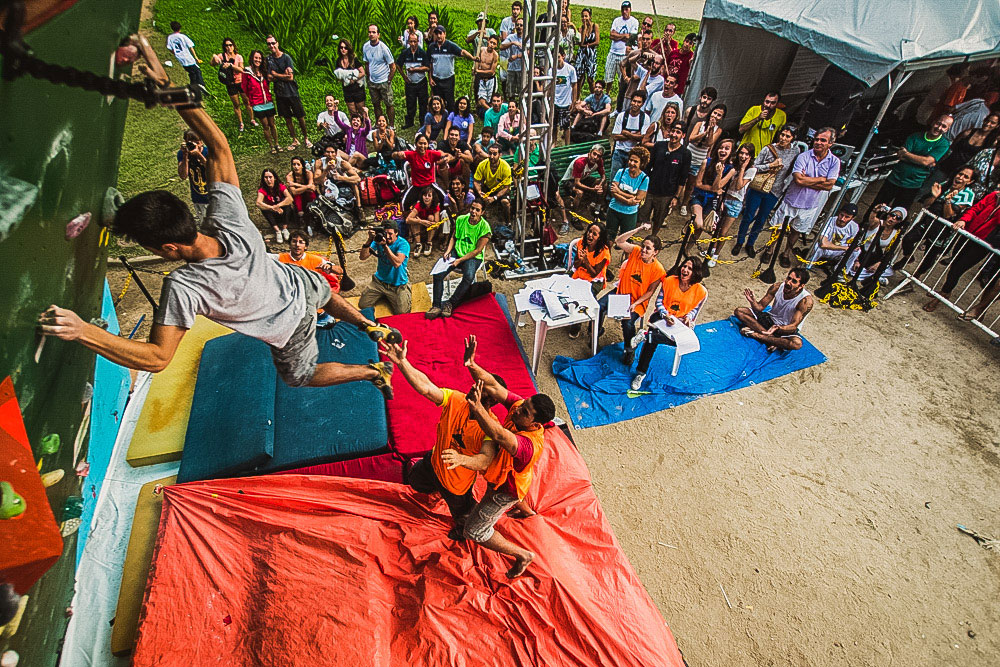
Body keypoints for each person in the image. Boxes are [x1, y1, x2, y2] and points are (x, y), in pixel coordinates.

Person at [39, 34, 395, 398]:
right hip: (296, 282)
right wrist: (167, 86)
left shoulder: (185, 287)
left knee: (299, 377)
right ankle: (370, 327)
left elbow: (158, 358)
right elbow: (219, 143)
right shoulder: (228, 218)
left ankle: (371, 371)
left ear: (168, 247)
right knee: (318, 287)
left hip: (289, 327)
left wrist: (83, 330)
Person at [448, 337, 557, 578]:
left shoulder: (527, 446)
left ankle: (523, 556)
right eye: (522, 404)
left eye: (524, 411)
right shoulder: (521, 409)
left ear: (535, 424)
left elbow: (497, 433)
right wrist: (471, 364)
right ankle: (526, 511)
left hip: (504, 489)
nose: (517, 409)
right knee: (511, 483)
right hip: (512, 477)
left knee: (474, 531)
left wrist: (478, 409)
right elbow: (494, 386)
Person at [377, 339, 504, 540]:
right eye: (475, 384)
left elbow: (485, 459)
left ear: (493, 400)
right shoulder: (457, 399)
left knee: (462, 515)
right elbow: (426, 387)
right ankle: (434, 489)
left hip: (456, 486)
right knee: (415, 480)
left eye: (480, 390)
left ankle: (463, 529)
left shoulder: (490, 428)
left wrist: (461, 459)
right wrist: (403, 363)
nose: (472, 389)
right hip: (434, 462)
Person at [629, 256, 707, 390]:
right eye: (684, 266)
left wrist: (688, 317)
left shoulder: (701, 291)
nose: (685, 270)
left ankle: (645, 335)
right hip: (660, 317)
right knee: (651, 343)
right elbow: (659, 302)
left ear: (696, 273)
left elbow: (695, 310)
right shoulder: (669, 281)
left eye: (690, 268)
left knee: (679, 341)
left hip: (680, 323)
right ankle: (640, 373)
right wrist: (665, 315)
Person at [922, 189, 1000, 315]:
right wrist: (964, 219)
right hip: (967, 234)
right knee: (954, 263)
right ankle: (946, 291)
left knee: (958, 269)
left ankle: (942, 294)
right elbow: (975, 209)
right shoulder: (994, 195)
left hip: (983, 244)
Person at [896, 166, 977, 278]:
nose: (960, 177)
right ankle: (908, 257)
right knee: (908, 238)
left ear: (970, 181)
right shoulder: (945, 185)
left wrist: (947, 201)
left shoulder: (968, 195)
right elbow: (927, 205)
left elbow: (948, 215)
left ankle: (915, 277)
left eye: (965, 177)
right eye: (960, 173)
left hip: (942, 230)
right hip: (928, 221)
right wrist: (934, 196)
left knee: (929, 258)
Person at [776, 127, 841, 268]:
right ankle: (770, 250)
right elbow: (798, 180)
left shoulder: (834, 162)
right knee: (778, 227)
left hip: (810, 204)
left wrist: (808, 179)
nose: (818, 142)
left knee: (796, 231)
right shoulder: (803, 156)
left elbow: (829, 185)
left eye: (823, 140)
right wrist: (821, 179)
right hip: (791, 199)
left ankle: (786, 253)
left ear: (830, 143)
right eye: (816, 139)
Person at [733, 125, 799, 257]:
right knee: (748, 215)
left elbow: (791, 170)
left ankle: (750, 243)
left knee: (761, 219)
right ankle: (739, 241)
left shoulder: (795, 151)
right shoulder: (768, 149)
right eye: (782, 134)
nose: (783, 138)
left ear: (793, 138)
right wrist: (770, 165)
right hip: (758, 187)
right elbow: (755, 165)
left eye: (787, 136)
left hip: (775, 190)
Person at [604, 225, 665, 362]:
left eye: (648, 248)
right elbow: (619, 241)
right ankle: (596, 332)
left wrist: (635, 303)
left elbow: (650, 292)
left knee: (628, 323)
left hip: (637, 301)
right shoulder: (636, 251)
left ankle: (629, 349)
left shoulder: (658, 270)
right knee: (599, 306)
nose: (643, 250)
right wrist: (638, 229)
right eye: (643, 246)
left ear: (656, 252)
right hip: (620, 293)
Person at [428, 199, 492, 319]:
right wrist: (448, 251)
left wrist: (460, 260)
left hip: (472, 256)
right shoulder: (461, 219)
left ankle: (451, 303)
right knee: (438, 274)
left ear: (482, 212)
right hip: (457, 251)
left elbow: (477, 250)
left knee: (468, 276)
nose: (473, 212)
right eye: (472, 208)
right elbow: (454, 237)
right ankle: (436, 305)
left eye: (477, 210)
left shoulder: (485, 227)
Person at [874, 115, 954, 209]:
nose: (939, 128)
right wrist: (922, 160)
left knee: (898, 213)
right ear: (933, 122)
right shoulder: (915, 136)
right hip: (894, 179)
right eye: (938, 123)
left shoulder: (943, 144)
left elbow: (926, 161)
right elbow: (900, 155)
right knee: (876, 208)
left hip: (913, 184)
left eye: (944, 126)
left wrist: (907, 154)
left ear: (947, 129)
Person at [735, 268, 813, 352]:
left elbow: (793, 326)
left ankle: (757, 335)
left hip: (785, 329)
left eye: (794, 281)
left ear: (801, 286)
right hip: (770, 319)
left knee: (797, 344)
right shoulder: (777, 287)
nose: (788, 282)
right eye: (788, 278)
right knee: (739, 311)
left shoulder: (805, 301)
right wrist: (753, 302)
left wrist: (778, 328)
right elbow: (760, 307)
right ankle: (773, 340)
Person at [707, 143, 757, 264]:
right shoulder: (732, 164)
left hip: (736, 202)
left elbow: (740, 186)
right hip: (725, 197)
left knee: (724, 231)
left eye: (746, 154)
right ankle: (712, 249)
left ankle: (716, 255)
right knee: (716, 229)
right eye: (742, 153)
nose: (743, 156)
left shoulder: (752, 169)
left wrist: (743, 169)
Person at [638, 121, 690, 235]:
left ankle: (653, 239)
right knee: (640, 215)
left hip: (667, 194)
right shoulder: (659, 146)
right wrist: (641, 186)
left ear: (683, 135)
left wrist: (676, 196)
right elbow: (648, 167)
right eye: (673, 131)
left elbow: (683, 177)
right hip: (650, 189)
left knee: (659, 219)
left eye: (678, 132)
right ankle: (630, 238)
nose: (674, 134)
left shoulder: (685, 153)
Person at [678, 102, 726, 216]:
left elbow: (709, 143)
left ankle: (684, 204)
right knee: (679, 179)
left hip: (700, 159)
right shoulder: (700, 124)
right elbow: (691, 138)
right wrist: (705, 131)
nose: (715, 116)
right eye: (715, 113)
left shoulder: (718, 130)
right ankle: (674, 199)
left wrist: (710, 131)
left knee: (691, 184)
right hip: (689, 155)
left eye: (719, 115)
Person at [688, 138, 735, 252]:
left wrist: (719, 174)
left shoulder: (731, 170)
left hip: (712, 200)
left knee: (702, 228)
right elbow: (698, 183)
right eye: (721, 148)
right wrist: (714, 189)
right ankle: (689, 225)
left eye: (726, 148)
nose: (723, 150)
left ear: (731, 152)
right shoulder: (707, 162)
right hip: (699, 196)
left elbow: (717, 187)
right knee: (698, 224)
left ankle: (687, 248)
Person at [266, 36, 311, 150]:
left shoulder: (286, 58)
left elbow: (290, 77)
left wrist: (276, 74)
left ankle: (306, 138)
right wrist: (281, 76)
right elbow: (269, 77)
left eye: (273, 43)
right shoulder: (269, 59)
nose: (271, 46)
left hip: (292, 92)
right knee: (287, 118)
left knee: (300, 116)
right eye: (269, 44)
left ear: (277, 43)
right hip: (280, 93)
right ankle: (294, 139)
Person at [932, 113, 999, 187]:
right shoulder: (968, 132)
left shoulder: (991, 143)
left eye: (992, 123)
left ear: (997, 126)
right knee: (929, 188)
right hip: (946, 167)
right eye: (987, 121)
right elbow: (951, 148)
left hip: (962, 175)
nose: (988, 124)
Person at [358, 225, 412, 315]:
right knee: (363, 305)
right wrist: (369, 240)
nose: (387, 237)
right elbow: (363, 257)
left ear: (396, 233)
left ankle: (405, 291)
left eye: (390, 234)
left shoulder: (403, 244)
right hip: (380, 282)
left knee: (402, 312)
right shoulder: (378, 241)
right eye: (385, 233)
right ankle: (386, 295)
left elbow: (397, 263)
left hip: (397, 284)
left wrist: (385, 246)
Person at [392, 133, 451, 211]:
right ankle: (406, 221)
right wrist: (398, 154)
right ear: (416, 144)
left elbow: (447, 155)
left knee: (445, 199)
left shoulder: (431, 153)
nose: (422, 146)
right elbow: (393, 155)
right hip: (416, 186)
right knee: (404, 203)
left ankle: (443, 217)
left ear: (427, 144)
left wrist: (448, 158)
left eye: (424, 144)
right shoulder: (412, 155)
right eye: (420, 143)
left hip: (430, 184)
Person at [428, 26, 475, 113]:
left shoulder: (450, 46)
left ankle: (451, 121)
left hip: (448, 79)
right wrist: (430, 78)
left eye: (440, 33)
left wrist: (473, 58)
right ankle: (439, 120)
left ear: (444, 34)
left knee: (450, 102)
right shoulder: (431, 47)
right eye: (437, 33)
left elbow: (462, 52)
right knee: (438, 102)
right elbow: (430, 64)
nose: (438, 36)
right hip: (436, 79)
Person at [607, 146, 650, 239]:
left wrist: (619, 192)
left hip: (630, 214)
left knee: (626, 241)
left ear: (642, 163)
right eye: (630, 160)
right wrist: (628, 201)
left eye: (635, 161)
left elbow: (638, 198)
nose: (631, 163)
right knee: (608, 238)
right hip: (614, 209)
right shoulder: (621, 172)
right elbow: (613, 192)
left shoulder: (644, 179)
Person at [241, 50, 280, 153]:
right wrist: (250, 99)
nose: (257, 60)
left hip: (268, 101)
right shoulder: (247, 72)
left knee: (272, 124)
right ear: (252, 58)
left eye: (259, 58)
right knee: (265, 125)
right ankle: (271, 146)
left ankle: (277, 144)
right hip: (257, 103)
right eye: (256, 58)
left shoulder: (264, 71)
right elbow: (244, 88)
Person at [610, 91, 651, 186]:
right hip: (619, 151)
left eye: (639, 102)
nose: (635, 104)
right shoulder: (622, 116)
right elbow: (616, 136)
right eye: (634, 101)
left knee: (628, 179)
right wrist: (635, 135)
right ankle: (610, 198)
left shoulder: (645, 118)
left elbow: (643, 138)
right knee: (614, 178)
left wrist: (626, 133)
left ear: (642, 104)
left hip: (634, 153)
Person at [210, 38, 250, 132]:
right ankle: (241, 122)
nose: (229, 47)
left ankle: (251, 118)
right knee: (236, 104)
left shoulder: (238, 57)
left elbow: (242, 70)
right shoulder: (222, 56)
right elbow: (212, 64)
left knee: (247, 101)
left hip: (240, 82)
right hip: (230, 83)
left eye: (230, 45)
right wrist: (214, 57)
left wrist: (231, 66)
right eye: (226, 45)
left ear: (233, 46)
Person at [361, 25, 396, 128]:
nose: (371, 34)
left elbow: (392, 66)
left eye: (373, 32)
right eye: (369, 32)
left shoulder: (383, 48)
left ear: (378, 34)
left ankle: (391, 125)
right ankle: (379, 123)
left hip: (384, 80)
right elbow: (366, 63)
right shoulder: (366, 46)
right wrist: (368, 77)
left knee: (389, 104)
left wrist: (389, 79)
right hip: (372, 81)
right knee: (376, 104)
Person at [560, 144, 607, 216]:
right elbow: (577, 183)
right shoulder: (580, 162)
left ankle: (597, 208)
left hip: (583, 178)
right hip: (569, 181)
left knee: (604, 183)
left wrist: (599, 186)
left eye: (598, 156)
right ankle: (574, 215)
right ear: (590, 152)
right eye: (594, 154)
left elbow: (603, 177)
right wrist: (592, 189)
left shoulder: (599, 161)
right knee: (579, 193)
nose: (595, 157)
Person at [806, 203, 859, 267]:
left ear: (853, 218)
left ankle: (840, 271)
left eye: (847, 217)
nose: (842, 219)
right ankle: (808, 265)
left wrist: (856, 261)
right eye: (841, 215)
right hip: (826, 249)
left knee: (856, 251)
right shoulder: (830, 221)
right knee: (818, 246)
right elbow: (823, 244)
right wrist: (844, 248)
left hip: (839, 252)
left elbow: (853, 245)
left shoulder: (854, 227)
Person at [473, 144, 513, 223]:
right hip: (488, 187)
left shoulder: (505, 167)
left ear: (500, 155)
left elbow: (506, 187)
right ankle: (479, 221)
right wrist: (480, 192)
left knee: (505, 202)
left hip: (501, 189)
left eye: (494, 154)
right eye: (490, 153)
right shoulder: (482, 164)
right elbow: (476, 181)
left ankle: (508, 222)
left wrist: (494, 197)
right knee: (477, 202)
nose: (491, 156)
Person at [605, 1, 638, 97]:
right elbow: (611, 35)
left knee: (622, 78)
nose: (624, 12)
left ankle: (621, 95)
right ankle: (607, 93)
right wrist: (623, 36)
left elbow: (630, 37)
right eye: (623, 9)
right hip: (613, 52)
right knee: (608, 76)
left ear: (630, 10)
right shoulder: (617, 20)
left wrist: (617, 36)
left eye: (626, 9)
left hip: (623, 54)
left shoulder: (634, 22)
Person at [738, 91, 787, 155]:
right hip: (747, 152)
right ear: (763, 101)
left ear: (777, 103)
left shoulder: (781, 115)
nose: (769, 105)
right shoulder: (754, 110)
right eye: (767, 102)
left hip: (763, 153)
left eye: (773, 103)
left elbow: (779, 135)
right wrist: (758, 119)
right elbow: (741, 130)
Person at [177, 129, 210, 221]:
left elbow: (213, 171)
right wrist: (185, 156)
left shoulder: (208, 152)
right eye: (190, 142)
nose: (194, 145)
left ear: (201, 142)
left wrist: (199, 155)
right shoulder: (182, 154)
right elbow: (183, 175)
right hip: (198, 198)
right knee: (206, 226)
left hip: (213, 196)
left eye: (197, 142)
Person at [256, 168, 294, 241]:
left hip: (282, 211)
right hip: (273, 213)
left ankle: (285, 229)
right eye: (266, 177)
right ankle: (277, 231)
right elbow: (258, 203)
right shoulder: (262, 189)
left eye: (270, 177)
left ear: (275, 178)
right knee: (264, 209)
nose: (268, 180)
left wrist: (278, 205)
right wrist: (271, 208)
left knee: (287, 205)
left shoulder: (280, 186)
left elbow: (290, 199)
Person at [166, 21, 204, 92]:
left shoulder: (170, 37)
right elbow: (191, 47)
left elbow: (169, 48)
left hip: (180, 57)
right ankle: (200, 85)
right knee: (197, 70)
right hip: (187, 56)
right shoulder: (183, 36)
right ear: (180, 28)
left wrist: (175, 53)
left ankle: (193, 86)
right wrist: (196, 57)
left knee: (191, 72)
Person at [552, 48, 579, 145]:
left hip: (565, 102)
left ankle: (567, 145)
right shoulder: (551, 70)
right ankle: (553, 144)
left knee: (566, 126)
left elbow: (574, 84)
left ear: (563, 56)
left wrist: (574, 100)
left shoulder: (570, 69)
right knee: (553, 125)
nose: (557, 59)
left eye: (558, 57)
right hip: (554, 102)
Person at [333, 39, 367, 117]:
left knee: (362, 112)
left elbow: (362, 72)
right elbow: (338, 75)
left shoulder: (353, 59)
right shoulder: (338, 61)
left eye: (345, 48)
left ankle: (365, 128)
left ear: (348, 49)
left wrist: (353, 79)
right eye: (341, 48)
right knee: (353, 113)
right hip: (347, 91)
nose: (343, 49)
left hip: (357, 89)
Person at [437, 127, 474, 196]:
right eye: (452, 134)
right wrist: (455, 157)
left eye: (456, 135)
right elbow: (440, 158)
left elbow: (471, 159)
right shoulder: (442, 144)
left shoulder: (462, 144)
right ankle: (448, 188)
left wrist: (460, 155)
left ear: (459, 137)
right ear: (448, 136)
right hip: (445, 170)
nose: (454, 137)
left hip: (457, 168)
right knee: (443, 163)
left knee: (464, 161)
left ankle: (466, 188)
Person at [405, 186, 441, 257]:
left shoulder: (435, 206)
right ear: (422, 196)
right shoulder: (419, 205)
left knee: (431, 217)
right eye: (425, 195)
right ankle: (418, 244)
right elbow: (407, 220)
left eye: (429, 196)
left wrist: (431, 223)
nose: (427, 197)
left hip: (429, 227)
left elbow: (437, 224)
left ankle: (429, 242)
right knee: (414, 220)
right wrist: (420, 221)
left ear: (432, 197)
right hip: (419, 227)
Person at [285, 156, 317, 233]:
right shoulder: (290, 176)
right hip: (298, 194)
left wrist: (295, 184)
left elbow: (312, 189)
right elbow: (294, 192)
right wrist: (307, 187)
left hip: (307, 193)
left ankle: (313, 217)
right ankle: (301, 219)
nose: (296, 167)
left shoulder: (308, 173)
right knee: (297, 198)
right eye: (294, 164)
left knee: (311, 195)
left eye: (298, 164)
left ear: (302, 165)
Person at [473, 35, 500, 114]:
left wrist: (478, 71)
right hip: (481, 79)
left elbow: (491, 71)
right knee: (481, 101)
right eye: (491, 42)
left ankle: (493, 113)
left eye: (494, 43)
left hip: (490, 80)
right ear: (488, 41)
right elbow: (477, 61)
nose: (491, 45)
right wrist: (475, 69)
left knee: (490, 99)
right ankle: (492, 112)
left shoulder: (495, 55)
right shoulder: (481, 50)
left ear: (496, 45)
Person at [575, 8, 600, 94]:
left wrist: (587, 45)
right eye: (582, 16)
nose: (584, 18)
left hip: (591, 55)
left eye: (586, 16)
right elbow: (581, 43)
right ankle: (577, 98)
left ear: (590, 16)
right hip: (582, 55)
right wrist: (584, 29)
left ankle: (593, 97)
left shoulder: (595, 26)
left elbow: (597, 42)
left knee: (590, 78)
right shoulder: (581, 28)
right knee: (579, 78)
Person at [501, 19, 525, 100]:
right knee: (510, 92)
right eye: (517, 25)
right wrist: (512, 43)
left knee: (522, 91)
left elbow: (529, 52)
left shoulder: (527, 37)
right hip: (511, 68)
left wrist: (517, 56)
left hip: (522, 69)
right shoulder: (511, 37)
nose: (519, 27)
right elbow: (501, 46)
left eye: (521, 25)